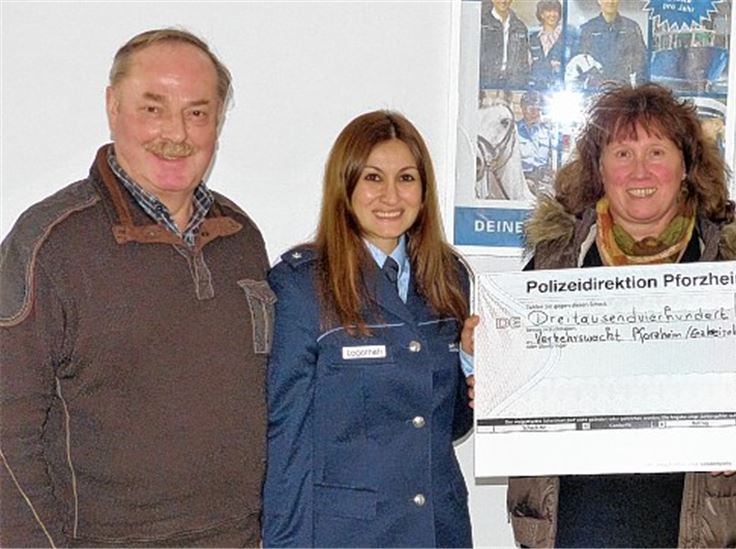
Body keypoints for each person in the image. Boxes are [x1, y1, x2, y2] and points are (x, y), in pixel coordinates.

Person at [0, 29, 269, 547]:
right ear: (112, 107)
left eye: (197, 112)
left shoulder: (242, 238)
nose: (176, 133)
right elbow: (7, 433)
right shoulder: (49, 246)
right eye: (153, 109)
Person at [506, 83, 736, 548]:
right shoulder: (552, 266)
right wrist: (485, 366)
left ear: (686, 166)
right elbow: (514, 384)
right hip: (577, 530)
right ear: (599, 169)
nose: (639, 171)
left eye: (656, 151)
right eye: (622, 153)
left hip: (705, 532)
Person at [261, 110, 476, 548]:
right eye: (374, 178)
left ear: (424, 189)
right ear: (347, 186)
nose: (391, 196)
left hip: (438, 529)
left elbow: (446, 426)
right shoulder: (302, 287)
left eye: (407, 178)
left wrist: (473, 368)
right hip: (350, 534)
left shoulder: (449, 277)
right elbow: (287, 442)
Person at [578, 0, 648, 86]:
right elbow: (580, 61)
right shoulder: (588, 29)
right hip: (596, 89)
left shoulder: (631, 28)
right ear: (599, 1)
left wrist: (640, 88)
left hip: (623, 89)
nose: (610, 2)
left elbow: (641, 60)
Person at [480, 0, 531, 88]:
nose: (503, 1)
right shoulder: (482, 24)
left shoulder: (520, 27)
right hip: (486, 83)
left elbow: (523, 61)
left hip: (513, 84)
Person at [516, 90, 558, 196]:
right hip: (520, 178)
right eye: (530, 107)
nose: (534, 111)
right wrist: (522, 179)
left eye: (537, 108)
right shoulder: (514, 130)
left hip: (543, 180)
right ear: (522, 108)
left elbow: (555, 157)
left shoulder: (548, 130)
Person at [528, 0, 575, 89]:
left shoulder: (569, 36)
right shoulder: (532, 38)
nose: (552, 14)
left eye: (555, 11)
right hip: (536, 88)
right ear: (541, 14)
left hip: (561, 88)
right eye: (548, 11)